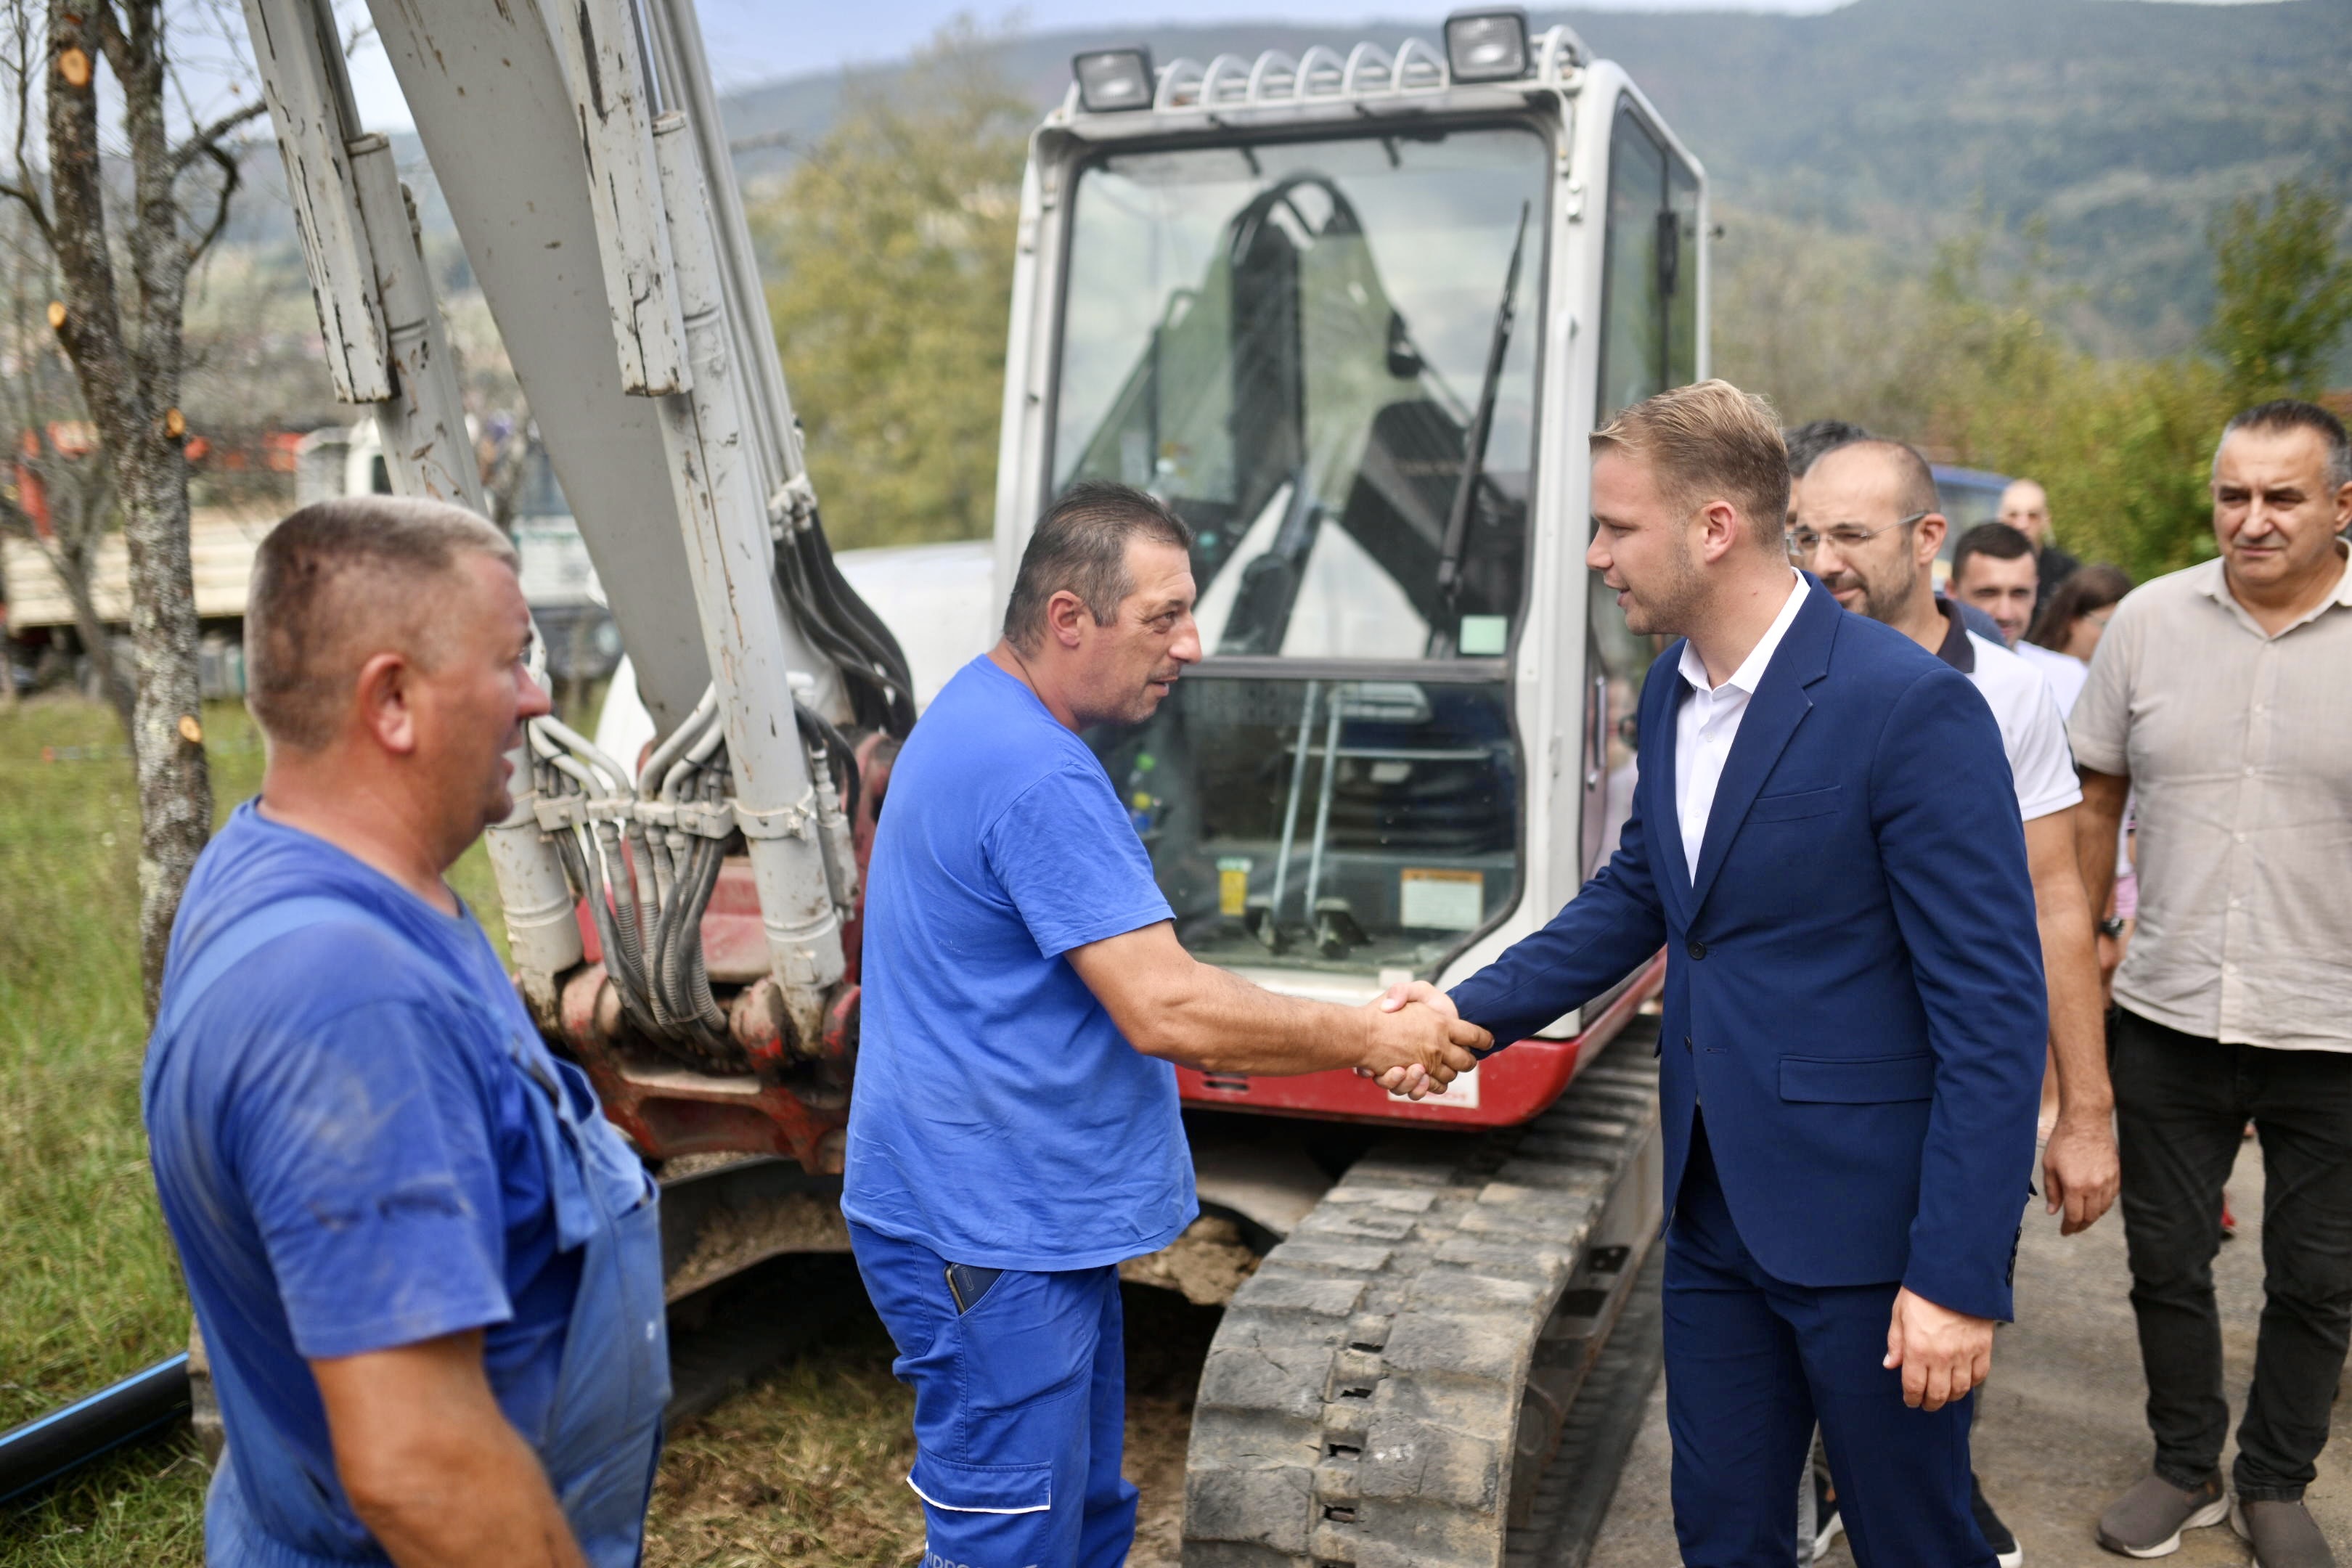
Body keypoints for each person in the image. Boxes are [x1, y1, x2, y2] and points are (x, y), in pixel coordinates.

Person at [1409, 380, 2046, 1567]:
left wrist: (1959, 1276)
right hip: (1709, 1213)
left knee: (1916, 1541)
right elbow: (1644, 898)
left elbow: (1995, 1016)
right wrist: (1463, 1011)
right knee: (1723, 1536)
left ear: (1714, 527)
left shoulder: (1908, 709)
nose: (1596, 558)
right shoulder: (1672, 692)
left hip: (1872, 1238)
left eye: (1615, 527)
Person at [842, 481, 1486, 1568]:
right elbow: (1166, 1002)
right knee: (1011, 1542)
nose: (1190, 643)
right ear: (1066, 619)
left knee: (1081, 1517)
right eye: (1162, 617)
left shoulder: (979, 709)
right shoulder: (1035, 772)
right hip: (992, 1235)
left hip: (1007, 1215)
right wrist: (1374, 1037)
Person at [144, 498, 666, 1567]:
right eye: (513, 662)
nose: (536, 701)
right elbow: (420, 1467)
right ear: (392, 700)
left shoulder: (292, 859)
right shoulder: (348, 1003)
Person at [1792, 438, 2123, 1567]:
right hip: (1810, 1084)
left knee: (1943, 1317)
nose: (1820, 559)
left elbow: (2056, 903)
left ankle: (1926, 1493)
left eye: (1847, 536)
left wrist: (2083, 1113)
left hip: (1959, 1085)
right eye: (1805, 536)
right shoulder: (1771, 673)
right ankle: (1848, 1479)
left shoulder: (2011, 692)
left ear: (1927, 540)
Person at [2070, 400, 2352, 1568]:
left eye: (2283, 497)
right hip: (2172, 1009)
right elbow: (2095, 801)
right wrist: (2085, 942)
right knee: (2164, 1263)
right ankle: (2185, 1464)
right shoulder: (2146, 621)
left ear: (2343, 506)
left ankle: (2276, 1480)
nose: (2252, 519)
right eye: (2234, 495)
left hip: (2336, 1025)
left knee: (2321, 1277)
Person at [1997, 478, 2081, 613]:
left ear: (2046, 520)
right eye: (2013, 515)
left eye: (2032, 516)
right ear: (2000, 518)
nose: (2022, 524)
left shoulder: (2067, 573)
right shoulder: (1984, 569)